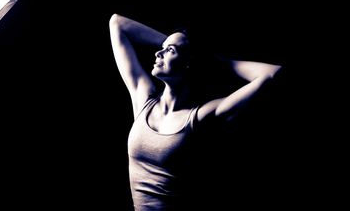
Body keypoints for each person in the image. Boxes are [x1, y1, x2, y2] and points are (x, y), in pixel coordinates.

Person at [109, 13, 282, 211]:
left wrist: (207, 58)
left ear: (189, 62)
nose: (158, 53)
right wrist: (174, 45)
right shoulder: (144, 100)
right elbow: (117, 23)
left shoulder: (200, 116)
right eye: (161, 48)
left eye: (169, 50)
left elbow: (272, 73)